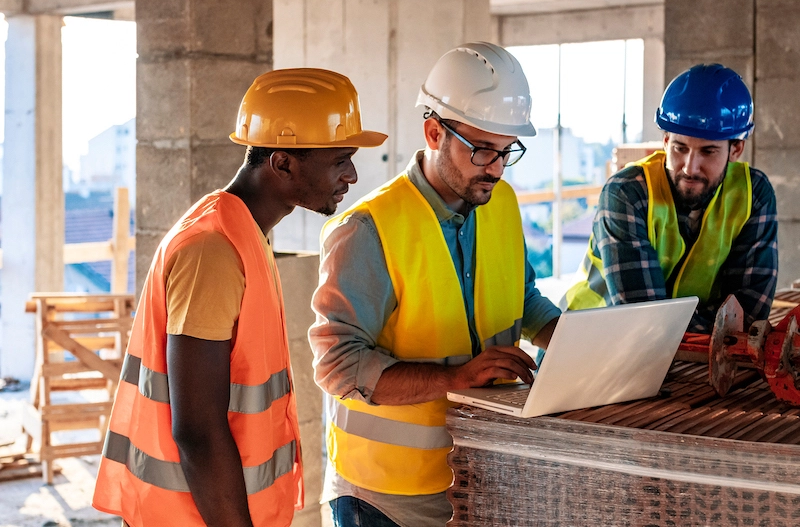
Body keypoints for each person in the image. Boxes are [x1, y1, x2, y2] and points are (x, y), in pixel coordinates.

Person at [92, 68, 387, 527]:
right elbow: (197, 431)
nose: (351, 174)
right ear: (283, 163)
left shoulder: (245, 233)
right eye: (340, 159)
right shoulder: (213, 250)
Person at [309, 42, 562, 527]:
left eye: (507, 151)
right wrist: (454, 379)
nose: (496, 167)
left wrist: (576, 343)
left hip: (481, 471)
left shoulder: (501, 204)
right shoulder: (368, 229)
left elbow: (522, 299)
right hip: (386, 497)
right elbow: (337, 365)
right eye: (483, 149)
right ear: (434, 132)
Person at [563, 63, 777, 332]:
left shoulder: (753, 194)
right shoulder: (627, 194)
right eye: (680, 148)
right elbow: (645, 319)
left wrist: (715, 328)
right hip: (585, 344)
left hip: (681, 355)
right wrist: (718, 327)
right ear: (665, 141)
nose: (690, 167)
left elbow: (748, 313)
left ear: (736, 149)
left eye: (708, 151)